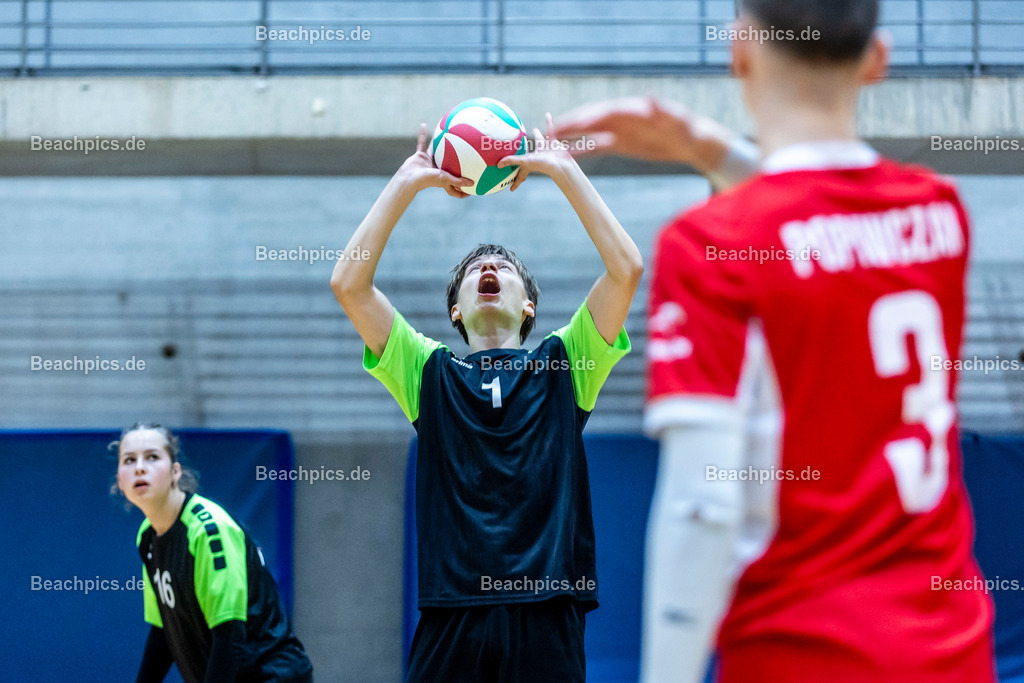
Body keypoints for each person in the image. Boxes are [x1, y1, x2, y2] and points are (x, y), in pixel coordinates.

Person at [554, 1, 995, 681]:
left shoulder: (710, 245)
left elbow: (703, 505)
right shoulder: (940, 213)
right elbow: (823, 222)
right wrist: (710, 149)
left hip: (799, 654)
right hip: (952, 653)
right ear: (878, 59)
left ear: (738, 51)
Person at [330, 117, 642, 682]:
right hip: (453, 612)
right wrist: (405, 183)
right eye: (475, 270)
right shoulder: (427, 370)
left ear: (528, 307)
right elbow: (349, 286)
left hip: (547, 609)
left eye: (503, 269)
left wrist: (564, 171)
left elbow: (626, 269)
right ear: (456, 310)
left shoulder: (566, 363)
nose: (489, 270)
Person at [113, 422, 313, 683]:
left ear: (175, 472)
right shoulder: (147, 536)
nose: (139, 467)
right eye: (129, 460)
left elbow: (229, 637)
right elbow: (164, 630)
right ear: (120, 479)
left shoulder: (209, 530)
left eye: (152, 457)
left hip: (270, 676)